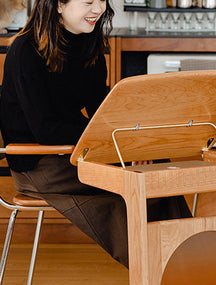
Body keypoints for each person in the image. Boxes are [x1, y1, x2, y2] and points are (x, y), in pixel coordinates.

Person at [0, 0, 192, 268]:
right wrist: (115, 145)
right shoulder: (25, 50)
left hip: (77, 152)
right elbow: (47, 130)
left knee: (158, 173)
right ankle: (164, 276)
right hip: (39, 161)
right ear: (57, 5)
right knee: (128, 194)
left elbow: (102, 112)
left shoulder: (89, 47)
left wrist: (134, 147)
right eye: (87, 2)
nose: (97, 9)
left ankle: (191, 266)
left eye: (100, 0)